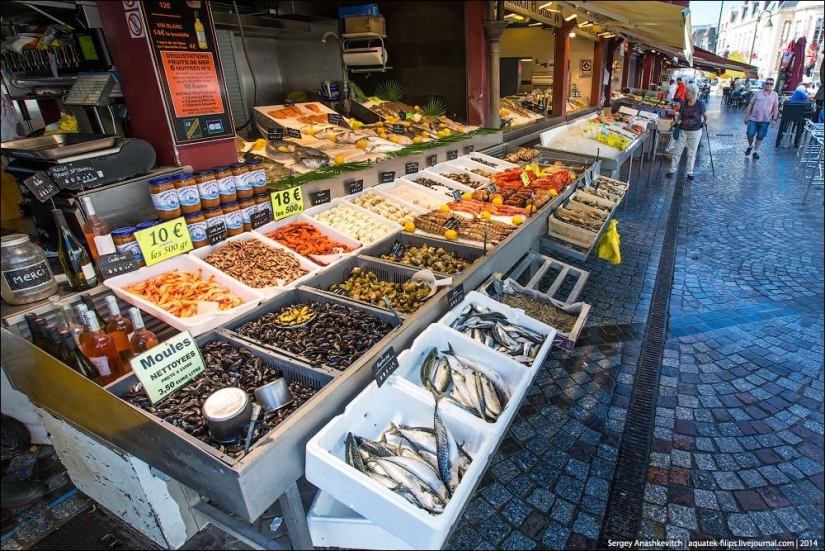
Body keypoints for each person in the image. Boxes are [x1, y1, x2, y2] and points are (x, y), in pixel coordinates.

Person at [666, 83, 708, 181]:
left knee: (691, 153)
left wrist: (706, 122)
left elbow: (706, 117)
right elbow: (680, 116)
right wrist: (675, 122)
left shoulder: (700, 104)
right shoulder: (684, 103)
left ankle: (690, 172)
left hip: (695, 131)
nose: (685, 93)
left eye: (687, 92)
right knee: (677, 151)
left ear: (693, 93)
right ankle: (672, 170)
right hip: (683, 130)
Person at [743, 77, 779, 159]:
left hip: (765, 119)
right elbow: (750, 104)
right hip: (754, 118)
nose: (769, 85)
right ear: (765, 84)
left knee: (760, 136)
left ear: (773, 85)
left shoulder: (775, 95)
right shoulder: (758, 93)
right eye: (767, 83)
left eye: (771, 84)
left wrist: (774, 119)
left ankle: (755, 151)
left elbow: (775, 107)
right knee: (749, 133)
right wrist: (747, 116)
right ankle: (750, 146)